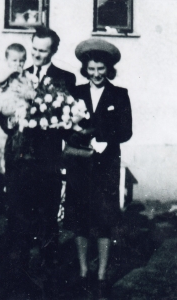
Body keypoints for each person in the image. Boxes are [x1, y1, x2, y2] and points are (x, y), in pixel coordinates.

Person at [0, 28, 76, 299]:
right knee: (17, 222)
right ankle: (16, 282)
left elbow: (65, 121)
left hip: (47, 164)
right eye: (34, 50)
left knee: (47, 224)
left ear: (53, 51)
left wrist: (39, 99)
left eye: (43, 51)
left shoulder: (65, 78)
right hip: (19, 161)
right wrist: (7, 119)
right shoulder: (19, 72)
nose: (37, 55)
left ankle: (48, 283)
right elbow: (4, 114)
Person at [64, 39, 132, 299]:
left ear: (109, 68)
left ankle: (102, 274)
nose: (96, 74)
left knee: (104, 219)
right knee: (79, 218)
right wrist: (80, 137)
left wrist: (103, 140)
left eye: (101, 68)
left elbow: (126, 130)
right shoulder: (76, 93)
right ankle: (83, 270)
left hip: (106, 164)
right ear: (85, 68)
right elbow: (66, 126)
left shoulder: (119, 94)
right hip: (80, 163)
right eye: (91, 68)